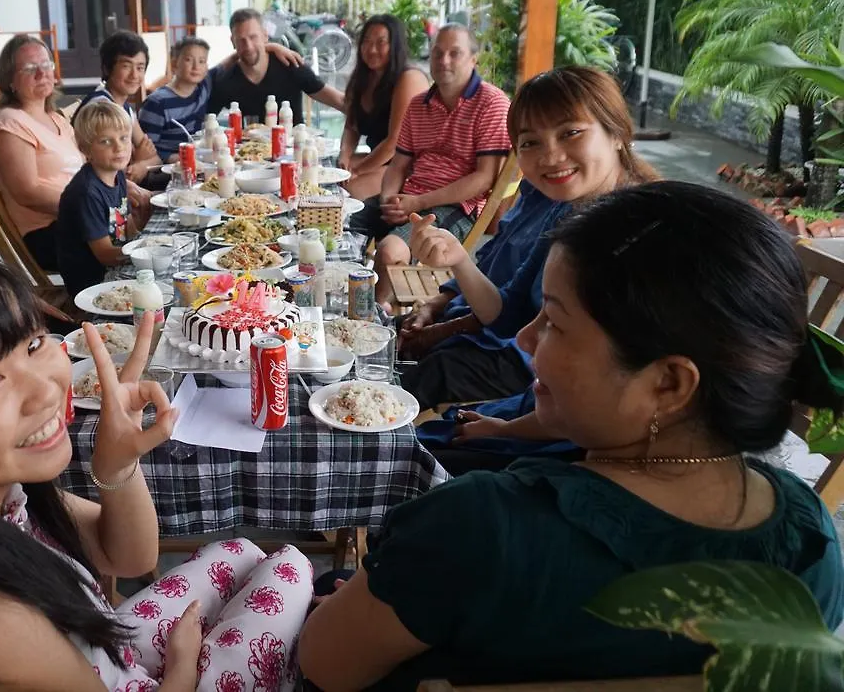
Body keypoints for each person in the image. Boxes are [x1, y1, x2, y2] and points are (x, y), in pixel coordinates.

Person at [299, 181, 844, 690]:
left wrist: (371, 595)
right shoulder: (810, 537)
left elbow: (324, 666)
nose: (526, 338)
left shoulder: (480, 524)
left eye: (554, 323)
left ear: (668, 383)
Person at [0, 249, 313, 689]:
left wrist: (116, 463)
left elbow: (129, 556)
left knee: (244, 551)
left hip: (101, 652)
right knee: (290, 568)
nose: (46, 390)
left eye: (33, 346)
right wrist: (182, 668)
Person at [400, 67, 658, 425]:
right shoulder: (563, 206)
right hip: (534, 399)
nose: (550, 157)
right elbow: (510, 315)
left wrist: (512, 431)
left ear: (617, 133)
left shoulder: (642, 236)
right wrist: (457, 264)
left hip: (559, 411)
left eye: (571, 133)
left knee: (424, 379)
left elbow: (609, 391)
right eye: (530, 142)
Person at [366, 24, 511, 308]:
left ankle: (376, 321)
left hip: (456, 206)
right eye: (437, 53)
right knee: (342, 222)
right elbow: (398, 164)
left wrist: (418, 202)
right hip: (410, 197)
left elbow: (483, 179)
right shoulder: (420, 104)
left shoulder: (491, 103)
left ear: (473, 59)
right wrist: (389, 200)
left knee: (388, 251)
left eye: (454, 53)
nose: (444, 61)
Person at [0, 34, 86, 272]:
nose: (42, 73)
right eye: (30, 68)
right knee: (128, 243)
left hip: (76, 220)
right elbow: (27, 192)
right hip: (48, 233)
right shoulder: (10, 123)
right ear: (10, 81)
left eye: (46, 64)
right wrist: (86, 206)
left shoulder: (55, 118)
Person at [55, 101, 142, 297]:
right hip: (92, 283)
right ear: (86, 149)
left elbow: (127, 224)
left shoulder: (117, 174)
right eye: (105, 141)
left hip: (116, 266)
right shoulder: (86, 192)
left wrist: (143, 241)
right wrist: (142, 253)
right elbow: (105, 255)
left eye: (124, 138)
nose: (119, 147)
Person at [339, 15, 430, 200]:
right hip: (381, 162)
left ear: (395, 46)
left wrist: (357, 170)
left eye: (381, 42)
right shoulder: (363, 79)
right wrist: (344, 156)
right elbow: (351, 127)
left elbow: (394, 142)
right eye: (366, 42)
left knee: (350, 191)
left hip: (409, 166)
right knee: (326, 176)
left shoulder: (409, 78)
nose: (372, 49)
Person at [207, 8, 346, 124]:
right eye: (241, 40)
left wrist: (365, 116)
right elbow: (202, 119)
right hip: (247, 155)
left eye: (253, 37)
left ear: (265, 36)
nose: (248, 46)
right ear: (233, 41)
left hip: (293, 151)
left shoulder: (289, 65)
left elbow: (337, 99)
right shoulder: (225, 80)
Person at [77, 30, 167, 189]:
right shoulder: (101, 108)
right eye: (126, 66)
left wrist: (141, 165)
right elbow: (111, 172)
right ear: (106, 68)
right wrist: (139, 162)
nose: (134, 75)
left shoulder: (124, 108)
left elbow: (155, 157)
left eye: (140, 68)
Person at [139, 35, 213, 160]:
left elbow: (223, 66)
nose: (196, 67)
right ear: (174, 64)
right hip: (166, 170)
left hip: (196, 161)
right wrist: (175, 158)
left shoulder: (203, 88)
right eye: (189, 60)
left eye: (202, 61)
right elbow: (145, 151)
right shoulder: (157, 103)